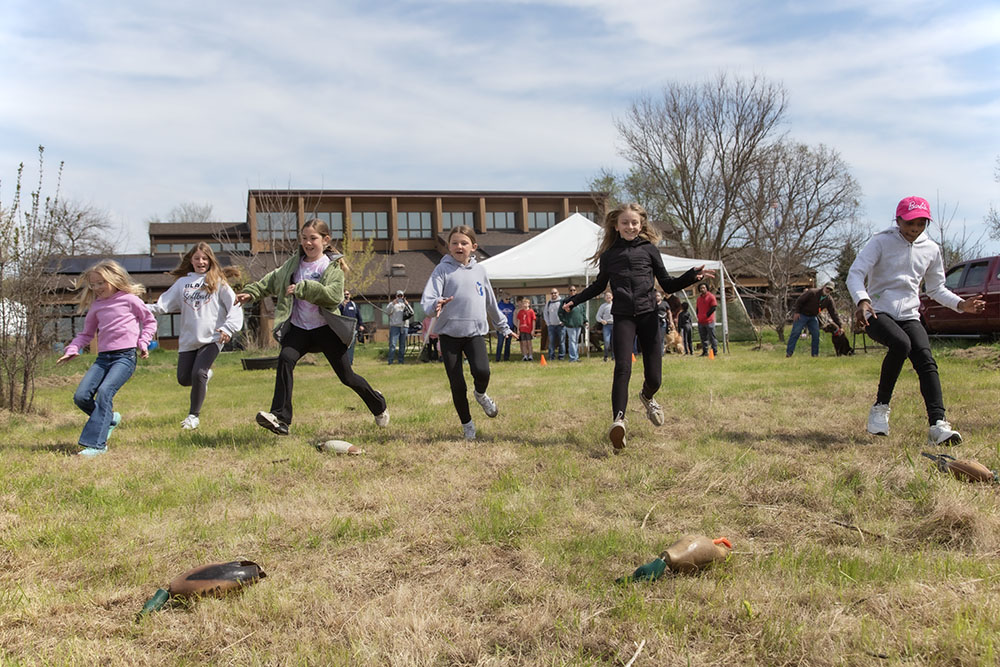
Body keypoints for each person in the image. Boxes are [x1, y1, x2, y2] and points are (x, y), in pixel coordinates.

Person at [561, 203, 712, 450]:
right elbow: (599, 286)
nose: (630, 227)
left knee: (655, 377)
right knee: (622, 367)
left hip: (649, 316)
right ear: (615, 225)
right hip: (623, 317)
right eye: (625, 223)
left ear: (641, 225)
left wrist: (690, 276)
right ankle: (618, 421)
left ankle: (647, 396)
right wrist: (574, 299)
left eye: (634, 223)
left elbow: (667, 284)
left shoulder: (650, 250)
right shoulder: (610, 255)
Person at [847, 196, 984, 445]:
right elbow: (855, 273)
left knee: (926, 360)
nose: (915, 228)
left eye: (921, 223)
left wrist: (961, 305)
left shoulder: (930, 249)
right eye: (910, 222)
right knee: (901, 344)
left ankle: (938, 425)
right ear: (898, 220)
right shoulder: (880, 242)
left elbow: (936, 288)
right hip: (878, 310)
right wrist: (862, 300)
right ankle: (880, 408)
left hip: (910, 313)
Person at [235, 218, 389, 436]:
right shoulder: (293, 263)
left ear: (325, 240)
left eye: (313, 238)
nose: (308, 243)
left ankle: (378, 404)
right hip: (299, 328)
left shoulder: (331, 266)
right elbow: (271, 281)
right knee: (286, 360)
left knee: (347, 377)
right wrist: (251, 292)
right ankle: (280, 418)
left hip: (326, 329)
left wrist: (302, 288)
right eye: (304, 238)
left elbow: (333, 296)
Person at [421, 225, 513, 441]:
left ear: (474, 247)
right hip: (449, 334)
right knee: (457, 384)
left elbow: (490, 301)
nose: (458, 246)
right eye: (454, 243)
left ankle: (480, 394)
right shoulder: (442, 270)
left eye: (463, 243)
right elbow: (428, 299)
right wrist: (435, 304)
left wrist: (504, 326)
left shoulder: (480, 271)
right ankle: (468, 426)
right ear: (448, 247)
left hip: (474, 333)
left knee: (483, 372)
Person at [57, 260, 157, 456]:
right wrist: (73, 349)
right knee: (81, 396)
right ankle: (109, 419)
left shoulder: (130, 300)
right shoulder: (97, 306)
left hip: (125, 357)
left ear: (114, 278)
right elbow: (86, 334)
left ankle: (97, 445)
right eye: (93, 284)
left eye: (101, 282)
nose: (96, 288)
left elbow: (149, 322)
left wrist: (143, 342)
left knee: (104, 392)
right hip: (103, 359)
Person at [148, 243, 244, 431]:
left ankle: (193, 416)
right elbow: (162, 306)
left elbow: (234, 305)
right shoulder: (182, 283)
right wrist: (137, 308)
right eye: (197, 258)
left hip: (213, 337)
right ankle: (205, 376)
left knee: (198, 372)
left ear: (210, 260)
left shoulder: (218, 281)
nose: (201, 261)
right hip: (189, 339)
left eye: (205, 258)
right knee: (184, 379)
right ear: (190, 261)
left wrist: (228, 328)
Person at [786, 281, 842, 358]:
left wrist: (840, 326)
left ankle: (815, 355)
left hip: (813, 317)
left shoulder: (829, 300)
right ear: (824, 286)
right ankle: (789, 353)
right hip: (802, 315)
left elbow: (834, 313)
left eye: (830, 289)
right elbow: (799, 301)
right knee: (796, 333)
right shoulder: (812, 292)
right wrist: (797, 312)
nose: (828, 290)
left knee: (816, 335)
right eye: (827, 288)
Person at [558, 285, 585, 362]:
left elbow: (583, 312)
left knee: (576, 341)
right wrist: (565, 321)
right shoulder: (565, 301)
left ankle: (576, 357)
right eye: (571, 290)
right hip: (570, 325)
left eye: (574, 290)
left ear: (576, 291)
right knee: (572, 341)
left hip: (578, 324)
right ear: (568, 291)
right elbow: (560, 313)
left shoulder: (580, 301)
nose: (572, 291)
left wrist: (585, 321)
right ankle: (573, 358)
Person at [338, 289, 365, 364]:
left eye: (347, 294)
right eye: (345, 294)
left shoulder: (353, 305)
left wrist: (361, 325)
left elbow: (358, 316)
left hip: (353, 329)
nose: (346, 296)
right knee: (343, 346)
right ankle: (343, 361)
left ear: (349, 295)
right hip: (344, 329)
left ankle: (350, 361)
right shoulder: (340, 305)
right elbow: (337, 315)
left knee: (351, 345)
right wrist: (342, 306)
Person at [386, 290, 412, 365]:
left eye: (401, 296)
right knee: (393, 344)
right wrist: (393, 304)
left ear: (403, 296)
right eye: (398, 296)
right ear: (396, 296)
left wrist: (407, 304)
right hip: (395, 326)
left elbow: (411, 312)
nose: (400, 297)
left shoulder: (405, 304)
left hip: (404, 326)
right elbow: (387, 312)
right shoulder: (392, 304)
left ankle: (401, 361)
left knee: (402, 345)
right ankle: (390, 361)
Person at [696, 283, 718, 357]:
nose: (702, 289)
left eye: (704, 287)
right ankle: (705, 352)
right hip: (701, 321)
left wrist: (707, 315)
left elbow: (714, 307)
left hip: (709, 321)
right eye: (701, 288)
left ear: (707, 288)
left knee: (712, 337)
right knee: (703, 338)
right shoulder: (699, 298)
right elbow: (697, 308)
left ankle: (714, 352)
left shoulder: (711, 297)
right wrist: (698, 315)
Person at [543, 288, 565, 361]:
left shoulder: (562, 302)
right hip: (551, 326)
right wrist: (548, 323)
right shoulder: (548, 303)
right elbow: (545, 314)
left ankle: (561, 357)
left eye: (555, 293)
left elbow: (567, 313)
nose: (554, 294)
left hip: (561, 326)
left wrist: (564, 321)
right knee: (551, 343)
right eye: (552, 293)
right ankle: (551, 357)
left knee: (561, 342)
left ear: (558, 293)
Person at [495, 292, 515, 362]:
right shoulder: (499, 306)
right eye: (507, 299)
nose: (508, 300)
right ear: (503, 298)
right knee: (500, 343)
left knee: (508, 343)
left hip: (510, 327)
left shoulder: (512, 306)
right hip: (501, 328)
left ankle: (506, 358)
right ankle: (498, 358)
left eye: (510, 299)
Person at [596, 291, 614, 361]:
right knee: (606, 341)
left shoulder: (615, 305)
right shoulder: (603, 306)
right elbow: (597, 316)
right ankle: (605, 356)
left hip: (614, 325)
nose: (608, 297)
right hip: (606, 326)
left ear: (612, 297)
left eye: (609, 295)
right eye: (607, 296)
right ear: (604, 298)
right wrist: (602, 321)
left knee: (614, 342)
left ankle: (613, 357)